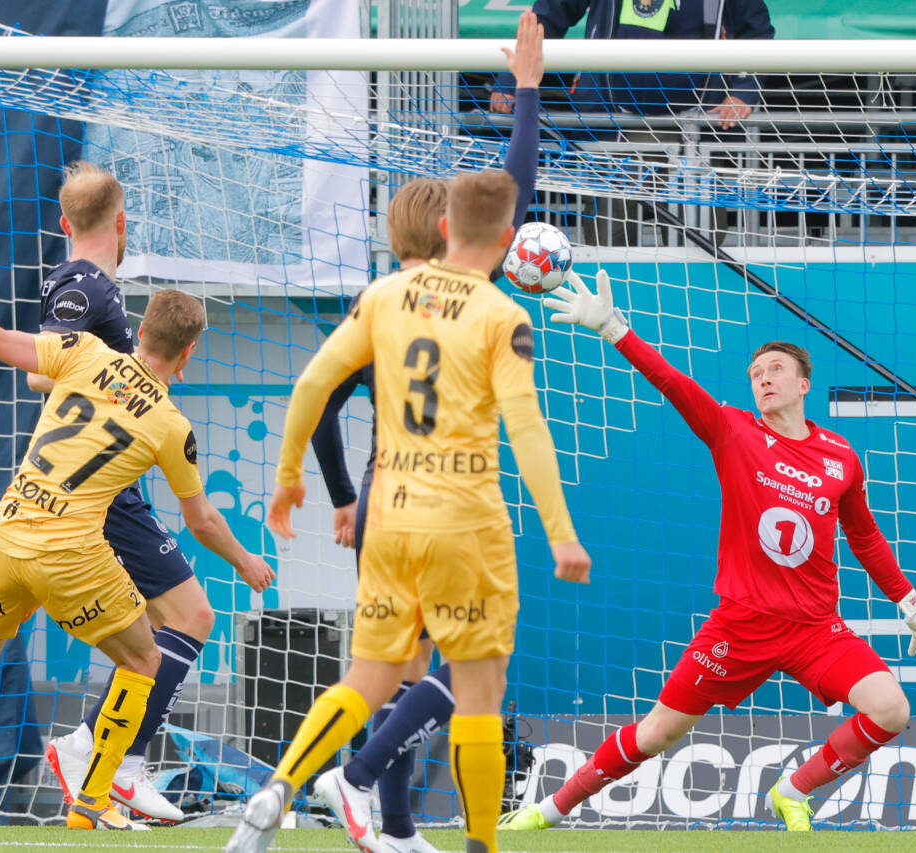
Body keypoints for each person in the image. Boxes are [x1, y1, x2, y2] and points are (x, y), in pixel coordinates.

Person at [498, 270, 916, 832]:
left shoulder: (841, 456)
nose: (763, 379)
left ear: (804, 383)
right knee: (658, 733)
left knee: (892, 708)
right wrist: (615, 329)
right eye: (755, 373)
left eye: (776, 370)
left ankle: (793, 790)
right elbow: (675, 384)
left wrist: (912, 607)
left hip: (815, 628)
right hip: (741, 625)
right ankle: (547, 810)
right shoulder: (734, 432)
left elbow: (865, 536)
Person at [224, 170, 592, 853]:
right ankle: (479, 845)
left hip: (386, 510)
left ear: (446, 230)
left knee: (370, 677)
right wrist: (561, 532)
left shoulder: (383, 294)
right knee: (478, 691)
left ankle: (281, 786)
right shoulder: (499, 313)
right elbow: (528, 426)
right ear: (509, 242)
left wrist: (287, 478)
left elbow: (312, 384)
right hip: (464, 521)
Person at [0, 243, 274, 830]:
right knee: (144, 660)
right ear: (188, 354)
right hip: (70, 554)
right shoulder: (170, 426)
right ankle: (92, 800)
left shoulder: (82, 350)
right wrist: (244, 563)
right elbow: (201, 521)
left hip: (8, 533)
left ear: (136, 331)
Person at [308, 13, 543, 853]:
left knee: (400, 671)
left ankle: (396, 826)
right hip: (444, 502)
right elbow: (515, 181)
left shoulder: (373, 305)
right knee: (454, 674)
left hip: (381, 493)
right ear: (449, 231)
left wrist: (340, 497)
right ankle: (361, 776)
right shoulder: (466, 292)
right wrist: (526, 91)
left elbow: (324, 405)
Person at [26, 161, 247, 824]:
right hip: (100, 491)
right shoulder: (80, 287)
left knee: (159, 631)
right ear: (121, 224)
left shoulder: (102, 291)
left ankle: (96, 750)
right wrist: (120, 379)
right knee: (194, 616)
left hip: (113, 483)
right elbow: (44, 374)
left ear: (67, 223)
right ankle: (110, 758)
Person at [489, 0, 774, 128]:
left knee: (702, 240)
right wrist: (511, 81)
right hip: (608, 125)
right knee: (604, 239)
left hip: (698, 130)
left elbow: (757, 34)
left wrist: (743, 92)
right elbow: (546, 18)